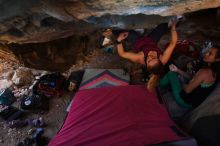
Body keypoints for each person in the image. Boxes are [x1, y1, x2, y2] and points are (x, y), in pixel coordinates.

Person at [114, 17, 180, 90]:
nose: (150, 57)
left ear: (147, 65)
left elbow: (122, 54)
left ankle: (137, 32)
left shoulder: (139, 58)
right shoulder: (163, 59)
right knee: (162, 27)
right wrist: (173, 27)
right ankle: (173, 22)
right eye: (154, 58)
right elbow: (173, 43)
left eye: (148, 60)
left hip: (138, 41)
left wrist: (119, 40)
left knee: (119, 31)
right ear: (159, 60)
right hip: (152, 41)